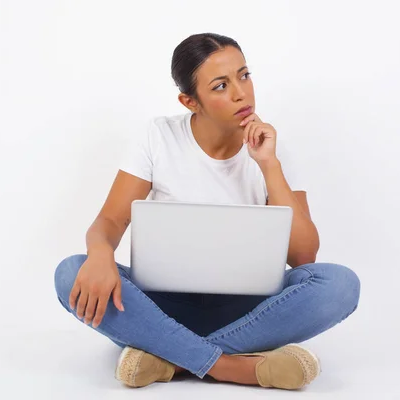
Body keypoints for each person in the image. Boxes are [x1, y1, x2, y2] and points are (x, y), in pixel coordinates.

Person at [54, 33, 361, 390]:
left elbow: (304, 256)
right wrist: (100, 253)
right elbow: (109, 221)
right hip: (162, 307)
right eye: (220, 86)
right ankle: (233, 366)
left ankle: (170, 359)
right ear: (190, 101)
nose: (241, 93)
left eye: (244, 75)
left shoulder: (273, 152)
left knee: (340, 285)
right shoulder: (158, 136)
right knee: (70, 272)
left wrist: (269, 166)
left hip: (250, 311)